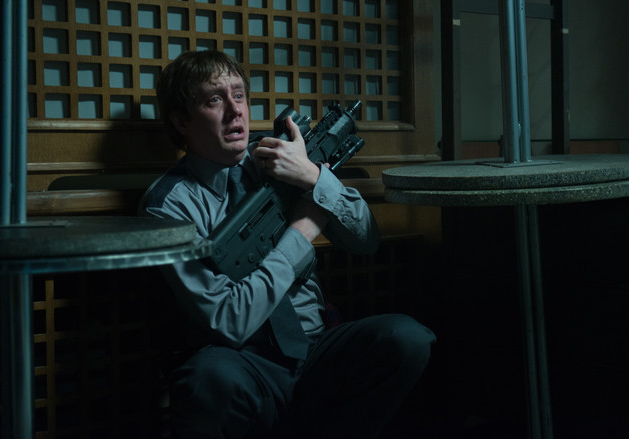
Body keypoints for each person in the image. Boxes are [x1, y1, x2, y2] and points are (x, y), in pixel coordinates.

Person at [139, 50, 436, 438]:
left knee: (407, 339)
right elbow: (229, 320)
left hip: (316, 347)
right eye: (214, 99)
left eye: (239, 95)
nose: (235, 111)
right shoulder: (170, 205)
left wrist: (313, 176)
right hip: (244, 361)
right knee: (208, 378)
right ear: (181, 121)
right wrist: (302, 232)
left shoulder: (281, 155)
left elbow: (366, 239)